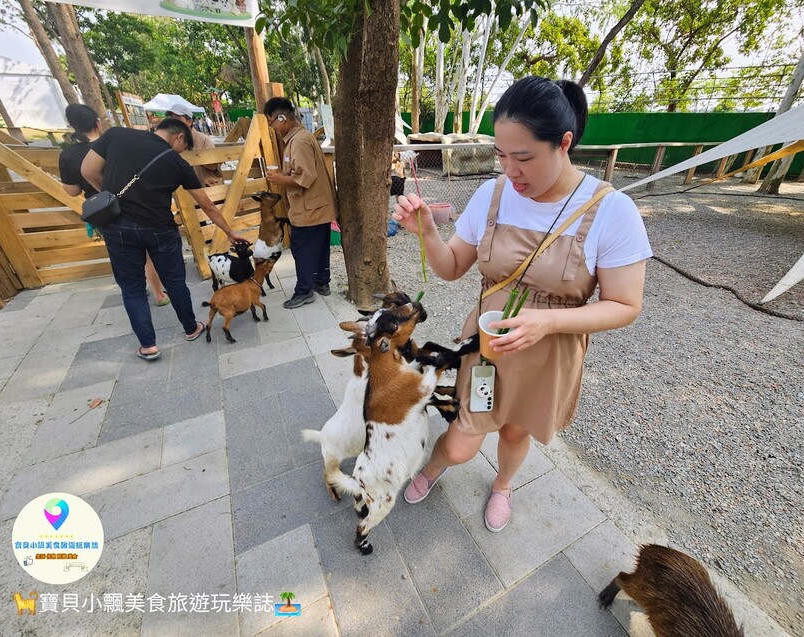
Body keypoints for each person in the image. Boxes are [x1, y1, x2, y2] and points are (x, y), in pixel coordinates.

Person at [392, 76, 652, 532]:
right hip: (490, 348)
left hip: (549, 353)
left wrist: (548, 322)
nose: (510, 171)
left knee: (516, 431)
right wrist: (428, 233)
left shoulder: (612, 211)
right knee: (462, 441)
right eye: (501, 156)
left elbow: (625, 304)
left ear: (563, 143)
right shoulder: (492, 195)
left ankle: (504, 486)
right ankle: (435, 467)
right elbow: (452, 267)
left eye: (524, 157)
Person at [81, 118, 244, 361]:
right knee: (175, 281)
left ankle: (148, 346)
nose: (182, 152)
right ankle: (191, 328)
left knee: (132, 288)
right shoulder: (176, 162)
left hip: (118, 227)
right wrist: (230, 233)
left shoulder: (116, 135)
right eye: (185, 147)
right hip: (160, 229)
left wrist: (111, 196)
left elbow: (87, 170)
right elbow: (207, 205)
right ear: (179, 137)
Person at [59, 104, 170, 306]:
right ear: (97, 123)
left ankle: (135, 291)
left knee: (120, 252)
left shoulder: (68, 154)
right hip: (132, 203)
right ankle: (159, 293)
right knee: (146, 251)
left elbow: (72, 190)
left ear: (73, 126)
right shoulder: (117, 143)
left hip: (102, 212)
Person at [263, 97, 337, 308]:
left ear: (281, 118)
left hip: (309, 210)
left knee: (302, 250)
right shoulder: (299, 138)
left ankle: (304, 291)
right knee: (320, 248)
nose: (272, 127)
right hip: (316, 208)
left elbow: (305, 177)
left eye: (272, 122)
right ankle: (322, 283)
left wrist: (278, 179)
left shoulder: (299, 141)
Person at [165, 103, 224, 187]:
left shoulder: (203, 139)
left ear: (189, 122)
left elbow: (214, 165)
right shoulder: (170, 141)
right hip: (183, 191)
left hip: (207, 189)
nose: (174, 123)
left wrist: (193, 157)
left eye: (178, 119)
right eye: (171, 119)